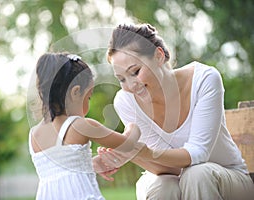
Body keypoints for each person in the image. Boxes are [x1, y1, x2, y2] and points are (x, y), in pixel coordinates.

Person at [98, 23, 254, 200]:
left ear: (159, 55)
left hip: (229, 178)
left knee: (197, 175)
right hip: (174, 177)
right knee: (162, 186)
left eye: (135, 71)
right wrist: (129, 153)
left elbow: (198, 154)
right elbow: (166, 167)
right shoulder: (125, 101)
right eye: (121, 79)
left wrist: (143, 153)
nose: (131, 85)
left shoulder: (204, 79)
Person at [27, 52, 147, 200]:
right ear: (76, 92)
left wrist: (91, 164)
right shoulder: (80, 125)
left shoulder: (34, 134)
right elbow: (127, 144)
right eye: (88, 96)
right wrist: (133, 126)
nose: (88, 103)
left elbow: (62, 169)